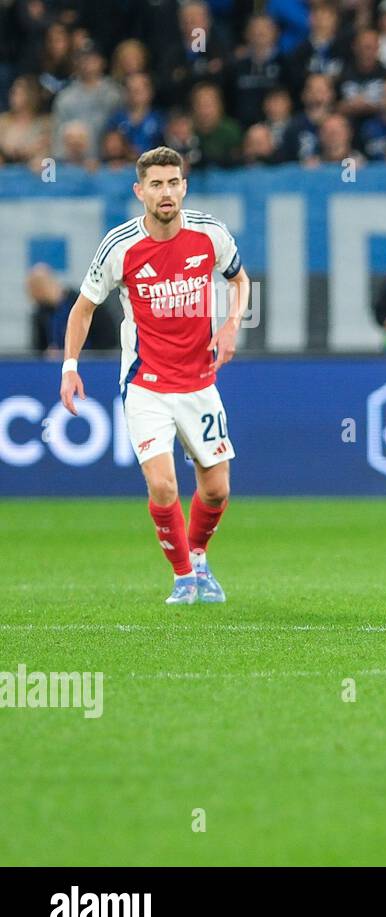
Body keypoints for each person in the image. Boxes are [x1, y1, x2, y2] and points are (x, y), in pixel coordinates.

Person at [58, 146, 249, 606]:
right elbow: (82, 309)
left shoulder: (211, 234)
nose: (167, 192)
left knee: (217, 488)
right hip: (146, 384)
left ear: (184, 185)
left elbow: (240, 281)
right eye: (157, 184)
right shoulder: (119, 245)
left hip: (200, 381)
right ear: (139, 191)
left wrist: (230, 325)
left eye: (174, 182)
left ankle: (199, 557)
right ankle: (183, 577)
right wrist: (70, 368)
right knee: (163, 484)